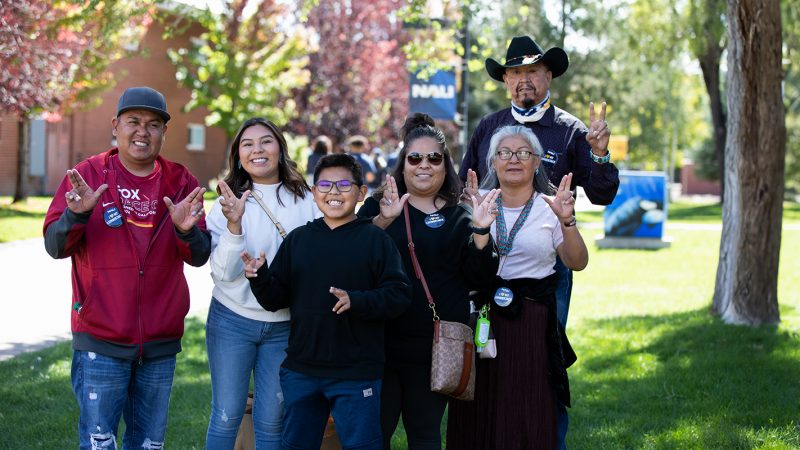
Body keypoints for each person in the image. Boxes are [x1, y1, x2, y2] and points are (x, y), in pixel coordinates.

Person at [460, 36, 619, 447]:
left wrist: (599, 154)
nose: (523, 80)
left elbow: (601, 193)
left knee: (542, 365)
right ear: (505, 81)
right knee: (486, 363)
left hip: (547, 271)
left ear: (549, 76)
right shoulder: (488, 127)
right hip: (484, 268)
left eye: (532, 71)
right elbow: (464, 188)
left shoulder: (569, 131)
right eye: (514, 73)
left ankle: (546, 438)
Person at [43, 86, 211, 449]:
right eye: (133, 122)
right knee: (99, 443)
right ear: (115, 125)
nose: (142, 132)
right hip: (100, 339)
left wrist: (186, 232)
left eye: (153, 124)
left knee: (149, 444)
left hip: (160, 343)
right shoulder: (88, 175)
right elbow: (55, 246)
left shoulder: (181, 182)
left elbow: (199, 256)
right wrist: (77, 214)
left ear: (164, 133)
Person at [243, 154, 412, 450]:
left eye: (344, 184)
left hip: (356, 373)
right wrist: (259, 277)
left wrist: (357, 301)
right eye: (325, 184)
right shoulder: (298, 240)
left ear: (361, 193)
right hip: (302, 371)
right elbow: (275, 299)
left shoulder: (375, 240)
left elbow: (399, 295)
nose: (334, 191)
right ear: (313, 191)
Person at [357, 113, 500, 450]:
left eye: (434, 157)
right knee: (372, 436)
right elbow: (352, 259)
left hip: (435, 349)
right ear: (402, 163)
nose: (424, 165)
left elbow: (480, 278)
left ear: (445, 164)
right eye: (415, 157)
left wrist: (481, 231)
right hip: (379, 345)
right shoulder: (378, 206)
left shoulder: (461, 213)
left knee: (425, 435)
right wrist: (382, 219)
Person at [447, 125, 588, 449]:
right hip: (479, 319)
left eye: (523, 152)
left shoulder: (551, 207)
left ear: (536, 162)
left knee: (527, 409)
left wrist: (568, 221)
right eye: (504, 153)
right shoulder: (473, 204)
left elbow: (577, 261)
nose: (514, 159)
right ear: (492, 161)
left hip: (530, 323)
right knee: (477, 410)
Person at [204, 118, 321, 448]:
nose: (257, 150)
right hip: (232, 321)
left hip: (284, 326)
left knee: (272, 421)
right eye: (247, 144)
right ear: (238, 155)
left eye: (265, 141)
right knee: (226, 416)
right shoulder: (226, 204)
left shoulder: (307, 201)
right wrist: (234, 225)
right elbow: (224, 273)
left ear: (280, 149)